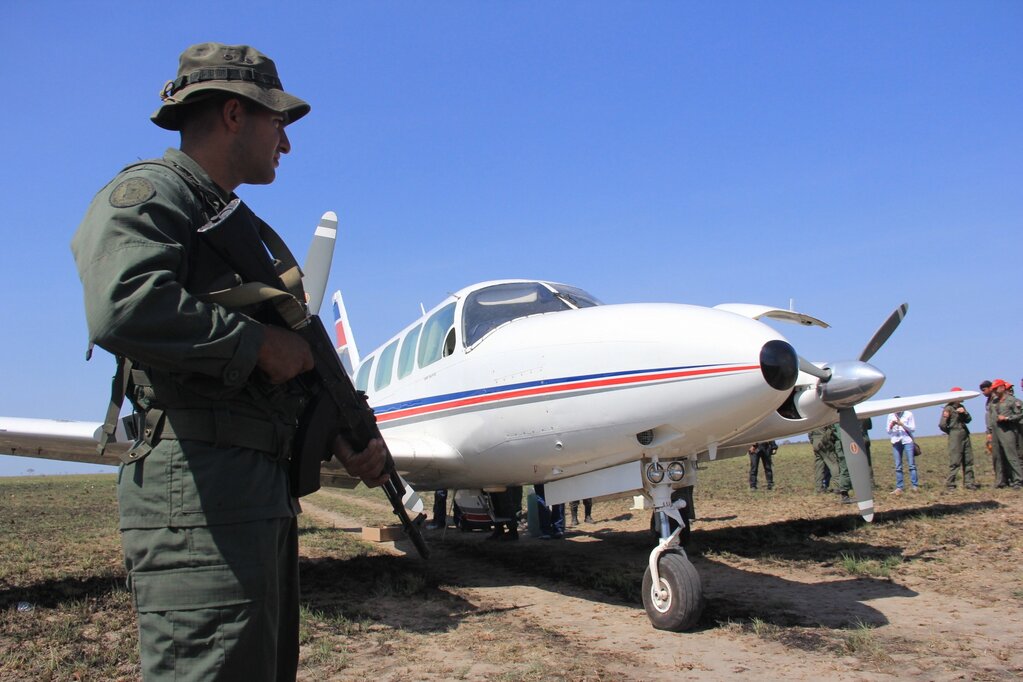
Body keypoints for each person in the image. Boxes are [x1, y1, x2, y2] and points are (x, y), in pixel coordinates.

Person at [71, 43, 388, 681]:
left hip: (249, 493)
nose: (287, 144)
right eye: (279, 122)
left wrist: (340, 432)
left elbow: (280, 371)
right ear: (234, 115)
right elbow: (123, 304)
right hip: (200, 497)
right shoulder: (153, 194)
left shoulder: (232, 222)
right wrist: (258, 345)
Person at [939, 388, 977, 490]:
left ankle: (969, 482)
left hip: (965, 434)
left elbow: (969, 420)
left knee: (968, 459)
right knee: (955, 460)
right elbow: (942, 424)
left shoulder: (962, 407)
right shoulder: (948, 408)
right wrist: (951, 432)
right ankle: (951, 484)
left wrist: (964, 413)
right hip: (955, 435)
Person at [988, 380, 1023, 489]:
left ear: (1002, 388)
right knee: (997, 457)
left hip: (1008, 430)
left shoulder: (1012, 401)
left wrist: (1007, 418)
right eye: (993, 389)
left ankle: (1018, 480)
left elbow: (1020, 414)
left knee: (1011, 456)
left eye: (995, 388)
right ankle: (1000, 481)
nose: (994, 390)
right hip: (995, 431)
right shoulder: (993, 402)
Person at [887, 406, 919, 493]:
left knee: (911, 464)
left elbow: (912, 429)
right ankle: (899, 487)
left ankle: (915, 486)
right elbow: (888, 431)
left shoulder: (908, 414)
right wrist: (891, 425)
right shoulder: (890, 415)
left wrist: (902, 424)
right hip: (896, 440)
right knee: (898, 466)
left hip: (907, 440)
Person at [808, 427, 839, 493]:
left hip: (815, 441)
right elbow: (831, 428)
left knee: (819, 466)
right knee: (833, 463)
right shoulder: (825, 416)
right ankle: (838, 486)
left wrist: (813, 441)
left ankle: (818, 488)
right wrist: (828, 440)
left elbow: (809, 432)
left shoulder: (812, 417)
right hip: (824, 440)